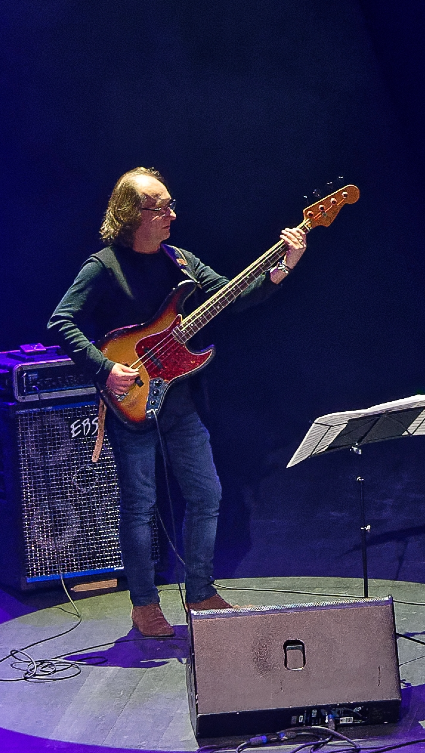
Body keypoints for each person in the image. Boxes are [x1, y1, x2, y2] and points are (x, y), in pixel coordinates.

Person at [49, 167, 306, 638]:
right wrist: (106, 368)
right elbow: (61, 322)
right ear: (132, 214)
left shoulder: (180, 261)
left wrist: (283, 266)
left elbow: (234, 295)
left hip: (179, 399)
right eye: (161, 207)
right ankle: (144, 604)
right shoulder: (103, 267)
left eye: (170, 205)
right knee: (140, 504)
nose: (172, 214)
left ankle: (200, 591)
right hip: (130, 400)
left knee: (206, 494)